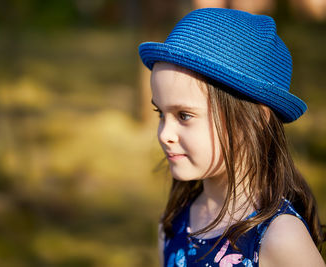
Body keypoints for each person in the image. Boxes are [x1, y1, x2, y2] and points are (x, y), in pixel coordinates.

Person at [138, 8, 325, 267]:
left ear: (257, 119)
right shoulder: (173, 224)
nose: (164, 134)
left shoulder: (280, 239)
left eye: (184, 116)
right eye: (161, 113)